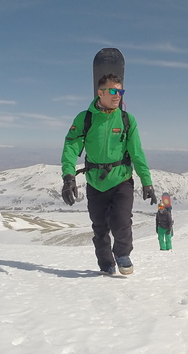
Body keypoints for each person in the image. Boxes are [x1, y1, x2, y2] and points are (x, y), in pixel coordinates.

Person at [60, 73, 157, 276]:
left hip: (121, 179)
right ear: (100, 92)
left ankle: (122, 255)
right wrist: (68, 176)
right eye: (113, 91)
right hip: (95, 182)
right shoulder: (85, 118)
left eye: (120, 91)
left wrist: (146, 181)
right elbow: (71, 146)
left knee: (122, 221)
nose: (117, 95)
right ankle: (106, 264)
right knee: (100, 227)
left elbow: (137, 152)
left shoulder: (126, 120)